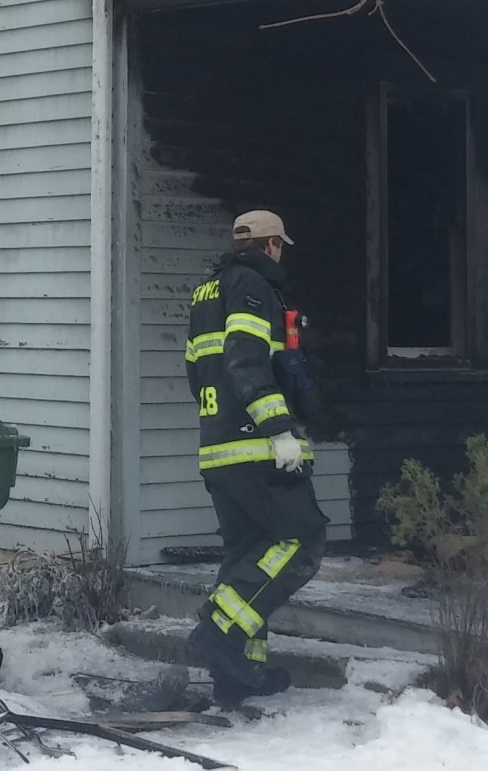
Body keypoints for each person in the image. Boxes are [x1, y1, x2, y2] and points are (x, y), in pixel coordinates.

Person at [186, 210, 325, 704]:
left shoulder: (208, 291)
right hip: (256, 445)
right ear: (270, 245)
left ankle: (238, 672)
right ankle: (219, 633)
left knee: (247, 555)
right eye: (280, 246)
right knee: (301, 539)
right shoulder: (251, 287)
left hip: (218, 445)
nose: (281, 254)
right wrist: (279, 430)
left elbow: (197, 370)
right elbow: (245, 360)